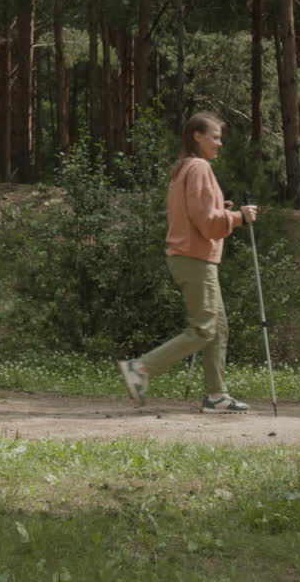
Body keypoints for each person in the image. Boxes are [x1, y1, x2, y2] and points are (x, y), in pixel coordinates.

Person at [117, 112, 258, 413]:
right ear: (197, 136)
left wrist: (223, 211)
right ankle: (140, 368)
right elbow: (207, 223)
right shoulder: (199, 167)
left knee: (217, 328)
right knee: (204, 328)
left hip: (191, 257)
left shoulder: (185, 167)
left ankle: (216, 396)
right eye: (215, 137)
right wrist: (238, 218)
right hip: (195, 258)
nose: (220, 143)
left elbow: (199, 213)